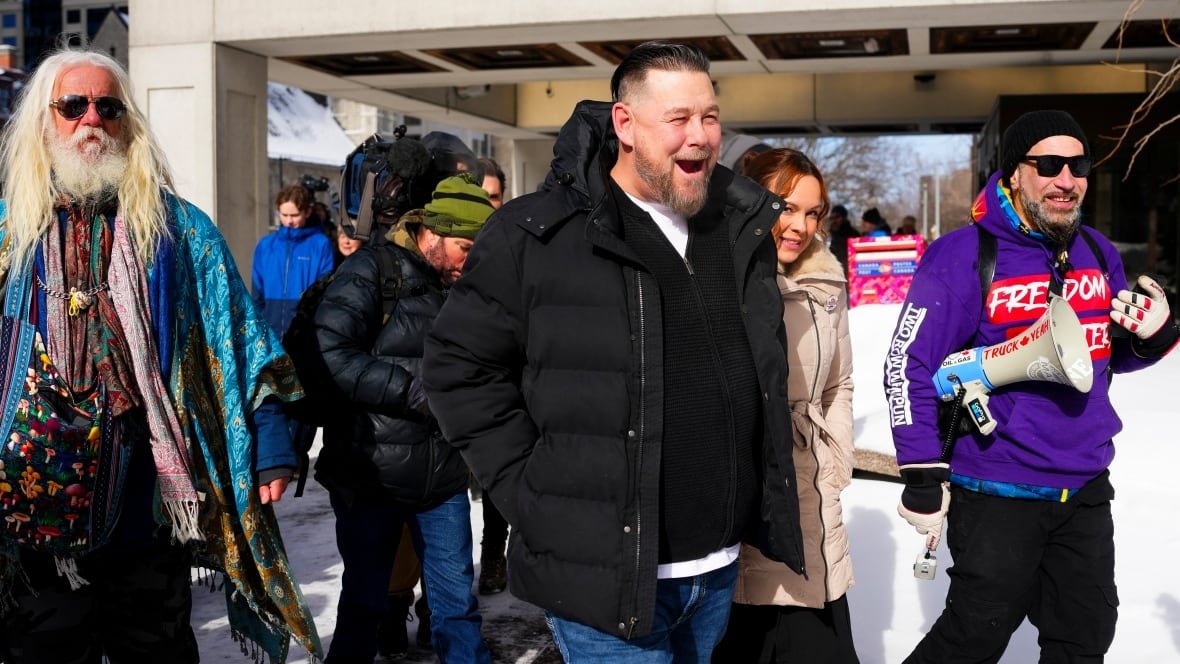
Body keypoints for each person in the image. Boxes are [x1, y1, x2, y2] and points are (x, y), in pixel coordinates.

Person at [423, 41, 804, 662]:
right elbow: (457, 369)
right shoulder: (535, 233)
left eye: (709, 117)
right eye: (677, 119)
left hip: (717, 568)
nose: (701, 137)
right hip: (604, 576)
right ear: (624, 124)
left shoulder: (737, 225)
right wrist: (531, 491)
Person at [0, 48, 320, 662]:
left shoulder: (178, 232)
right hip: (31, 520)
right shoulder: (10, 236)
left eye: (108, 106)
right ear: (45, 122)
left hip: (148, 514)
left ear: (129, 123)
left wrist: (273, 444)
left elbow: (241, 338)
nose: (91, 119)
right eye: (72, 106)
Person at [884, 109, 1180, 663]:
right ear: (1015, 174)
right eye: (1048, 164)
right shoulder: (963, 255)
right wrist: (921, 471)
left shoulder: (1097, 252)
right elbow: (908, 364)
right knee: (974, 637)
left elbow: (1100, 359)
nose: (1066, 179)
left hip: (1086, 486)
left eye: (1078, 165)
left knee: (1084, 637)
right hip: (998, 491)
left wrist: (1152, 339)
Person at [313, 173, 494, 664]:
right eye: (462, 246)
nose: (469, 260)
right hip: (373, 477)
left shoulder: (468, 284)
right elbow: (330, 351)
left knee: (456, 608)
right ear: (431, 233)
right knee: (363, 607)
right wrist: (416, 393)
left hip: (443, 479)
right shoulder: (371, 270)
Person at [716, 148, 859, 663]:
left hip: (812, 501)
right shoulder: (718, 282)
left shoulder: (827, 284)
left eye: (812, 211)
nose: (800, 225)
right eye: (785, 206)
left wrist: (836, 454)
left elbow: (839, 383)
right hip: (747, 511)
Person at [471, 155, 510, 598]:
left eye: (494, 197)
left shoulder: (515, 235)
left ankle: (497, 555)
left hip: (509, 371)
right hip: (469, 375)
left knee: (502, 472)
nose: (487, 205)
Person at [251, 184, 335, 336]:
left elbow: (325, 289)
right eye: (284, 215)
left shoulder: (320, 244)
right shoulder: (266, 245)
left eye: (295, 215)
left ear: (307, 212)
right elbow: (257, 292)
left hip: (305, 333)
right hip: (271, 332)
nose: (289, 221)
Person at [827, 204, 859, 275]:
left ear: (844, 218)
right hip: (835, 273)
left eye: (837, 217)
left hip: (851, 273)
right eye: (831, 218)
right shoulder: (831, 235)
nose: (834, 220)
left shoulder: (853, 235)